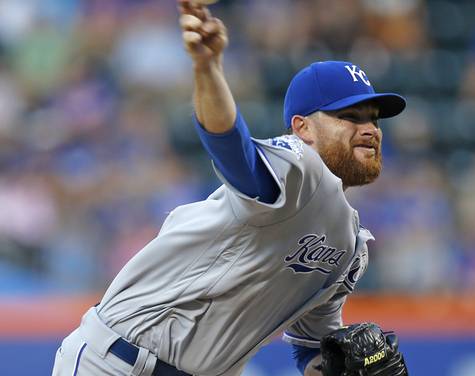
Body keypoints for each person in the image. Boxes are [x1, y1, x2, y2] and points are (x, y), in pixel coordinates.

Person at [52, 1, 407, 375]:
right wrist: (208, 69)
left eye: (373, 119)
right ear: (302, 129)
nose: (370, 129)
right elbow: (232, 151)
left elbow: (310, 351)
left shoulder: (350, 247)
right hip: (118, 363)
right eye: (349, 117)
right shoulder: (300, 167)